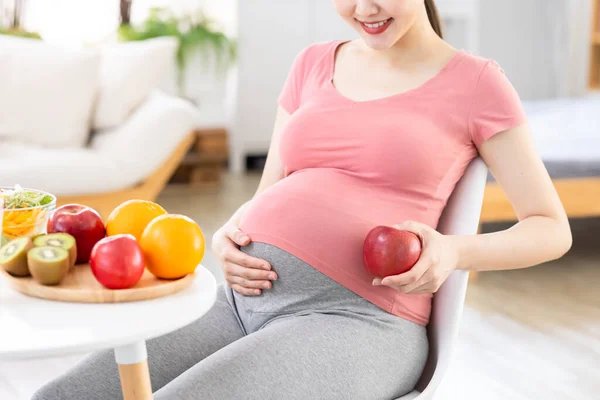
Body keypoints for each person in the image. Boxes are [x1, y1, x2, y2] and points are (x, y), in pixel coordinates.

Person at [33, 0, 572, 399]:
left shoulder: (476, 82)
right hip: (238, 303)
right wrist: (232, 233)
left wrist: (454, 253)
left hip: (358, 320)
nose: (365, 9)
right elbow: (272, 190)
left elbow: (550, 227)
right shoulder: (314, 63)